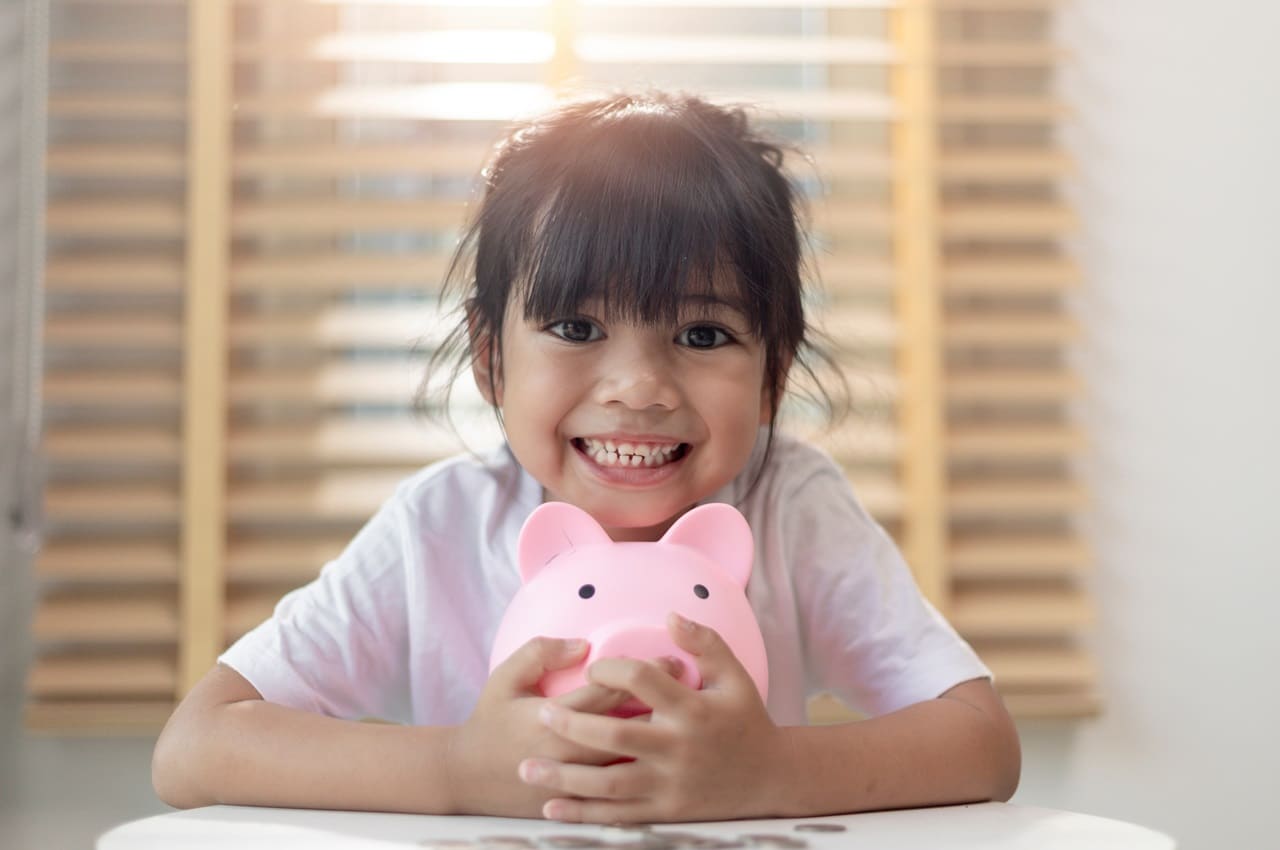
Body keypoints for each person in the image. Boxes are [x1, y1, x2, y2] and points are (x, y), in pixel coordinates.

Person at [152, 91, 1020, 823]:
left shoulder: (791, 505)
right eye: (576, 327)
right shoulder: (442, 526)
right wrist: (461, 770)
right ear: (491, 360)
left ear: (772, 377)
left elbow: (982, 742)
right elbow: (196, 746)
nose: (639, 387)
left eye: (703, 332)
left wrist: (771, 774)